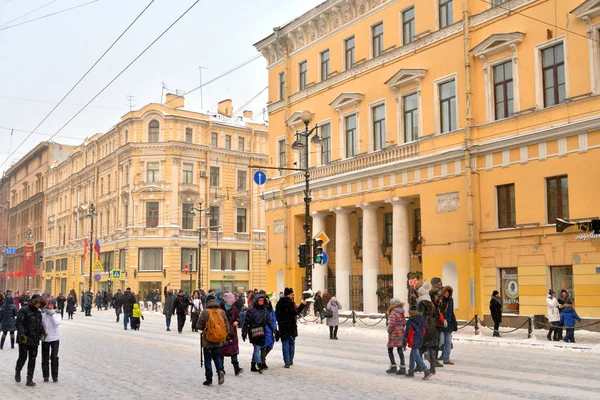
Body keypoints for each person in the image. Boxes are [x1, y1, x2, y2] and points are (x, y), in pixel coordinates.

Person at [197, 297, 230, 386]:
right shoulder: (221, 312)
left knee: (207, 360)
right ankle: (220, 370)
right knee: (218, 358)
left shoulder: (205, 312)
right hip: (218, 340)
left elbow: (199, 325)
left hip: (208, 340)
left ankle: (209, 379)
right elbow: (227, 325)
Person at [15, 294, 47, 387]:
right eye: (37, 302)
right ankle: (18, 370)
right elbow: (19, 323)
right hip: (24, 338)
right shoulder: (24, 310)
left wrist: (43, 334)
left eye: (40, 303)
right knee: (23, 358)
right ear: (33, 301)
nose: (38, 304)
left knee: (32, 360)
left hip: (35, 339)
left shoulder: (38, 313)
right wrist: (22, 334)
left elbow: (40, 326)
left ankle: (29, 379)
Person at [242, 294, 276, 373]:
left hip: (262, 331)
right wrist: (244, 332)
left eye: (262, 300)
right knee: (257, 348)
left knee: (257, 349)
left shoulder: (265, 310)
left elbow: (269, 321)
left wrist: (274, 331)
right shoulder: (251, 310)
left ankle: (253, 365)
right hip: (253, 331)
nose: (261, 302)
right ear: (256, 301)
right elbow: (246, 322)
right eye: (259, 300)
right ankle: (260, 364)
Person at [275, 287, 307, 368]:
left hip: (283, 326)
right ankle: (290, 360)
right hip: (291, 326)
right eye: (292, 294)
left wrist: (281, 322)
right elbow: (295, 312)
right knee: (291, 343)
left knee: (285, 344)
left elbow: (277, 314)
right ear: (288, 295)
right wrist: (302, 305)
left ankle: (287, 361)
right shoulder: (290, 303)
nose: (293, 296)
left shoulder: (279, 303)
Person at [417, 282, 442, 374]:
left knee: (420, 348)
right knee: (431, 347)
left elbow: (421, 316)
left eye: (419, 293)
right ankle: (432, 367)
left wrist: (420, 326)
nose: (418, 295)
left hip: (425, 327)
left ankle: (419, 366)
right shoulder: (431, 303)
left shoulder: (421, 303)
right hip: (432, 327)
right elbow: (435, 315)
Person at [403, 304, 433, 380]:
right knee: (412, 355)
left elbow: (406, 333)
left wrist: (404, 343)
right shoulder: (420, 318)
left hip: (413, 339)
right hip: (419, 338)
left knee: (416, 355)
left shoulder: (410, 321)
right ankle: (411, 371)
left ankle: (426, 371)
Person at [220, 292, 243, 375]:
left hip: (232, 333)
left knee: (233, 350)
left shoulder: (234, 309)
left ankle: (236, 368)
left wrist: (236, 321)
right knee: (221, 351)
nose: (232, 303)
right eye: (231, 301)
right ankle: (221, 369)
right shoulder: (220, 309)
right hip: (222, 333)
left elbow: (237, 317)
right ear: (226, 301)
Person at [41, 298, 61, 382]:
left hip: (54, 338)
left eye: (51, 305)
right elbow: (41, 324)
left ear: (54, 305)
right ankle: (46, 376)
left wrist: (52, 314)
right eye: (48, 305)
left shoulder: (57, 313)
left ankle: (55, 376)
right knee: (44, 357)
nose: (49, 307)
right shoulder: (43, 313)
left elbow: (57, 322)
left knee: (54, 357)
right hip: (44, 337)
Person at [386, 298, 406, 375]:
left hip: (394, 334)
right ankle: (402, 367)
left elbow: (392, 324)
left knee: (390, 349)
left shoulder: (393, 312)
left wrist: (389, 330)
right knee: (400, 350)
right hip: (401, 333)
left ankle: (393, 366)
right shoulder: (401, 312)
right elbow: (404, 322)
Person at [260, 295, 278, 373]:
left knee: (270, 345)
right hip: (263, 329)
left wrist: (275, 330)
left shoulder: (271, 310)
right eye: (265, 300)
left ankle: (262, 359)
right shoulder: (261, 309)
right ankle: (263, 362)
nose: (267, 301)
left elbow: (274, 320)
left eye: (267, 300)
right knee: (263, 346)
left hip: (270, 330)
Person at [440, 286, 457, 365]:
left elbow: (451, 312)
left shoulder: (450, 300)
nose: (447, 294)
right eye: (446, 292)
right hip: (441, 323)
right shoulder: (440, 299)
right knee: (441, 341)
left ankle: (446, 358)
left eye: (449, 292)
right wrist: (443, 319)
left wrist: (454, 322)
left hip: (448, 323)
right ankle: (431, 355)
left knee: (448, 342)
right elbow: (439, 311)